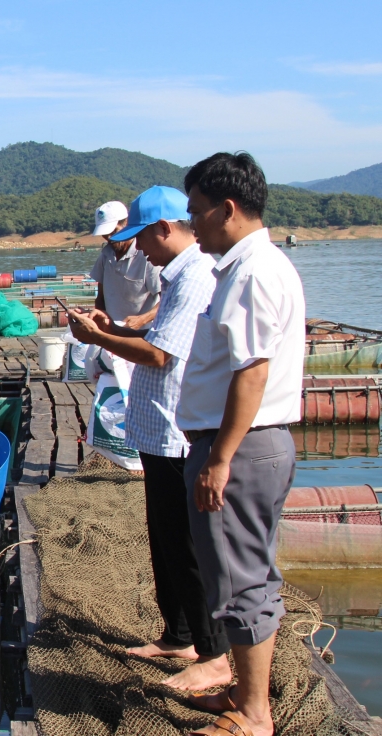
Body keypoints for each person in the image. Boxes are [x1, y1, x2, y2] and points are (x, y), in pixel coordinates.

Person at [66, 186, 230, 691]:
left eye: (143, 238)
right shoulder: (174, 272)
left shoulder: (194, 276)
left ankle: (212, 651)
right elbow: (151, 344)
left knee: (187, 543)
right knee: (163, 538)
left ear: (164, 229)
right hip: (156, 428)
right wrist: (110, 326)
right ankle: (176, 633)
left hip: (178, 428)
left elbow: (162, 355)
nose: (140, 250)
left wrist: (100, 337)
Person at [178, 152, 306, 736]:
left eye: (197, 211)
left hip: (242, 447)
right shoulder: (250, 266)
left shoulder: (252, 272)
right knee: (247, 570)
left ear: (227, 210)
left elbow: (251, 371)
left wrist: (221, 458)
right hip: (250, 444)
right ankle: (244, 691)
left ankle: (254, 716)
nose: (192, 222)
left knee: (240, 580)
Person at [90, 200, 162, 329]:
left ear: (127, 224)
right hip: (113, 332)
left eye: (114, 232)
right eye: (105, 234)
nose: (109, 238)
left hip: (142, 334)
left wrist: (142, 319)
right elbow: (101, 298)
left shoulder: (146, 256)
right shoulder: (105, 257)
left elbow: (166, 299)